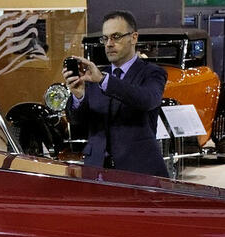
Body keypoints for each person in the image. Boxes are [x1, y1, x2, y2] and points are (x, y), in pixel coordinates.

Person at [63, 10, 168, 178]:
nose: (109, 44)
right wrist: (78, 96)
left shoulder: (152, 73)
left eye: (116, 37)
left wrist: (105, 81)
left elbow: (147, 99)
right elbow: (77, 122)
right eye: (105, 38)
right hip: (96, 172)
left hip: (139, 172)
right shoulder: (94, 76)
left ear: (134, 37)